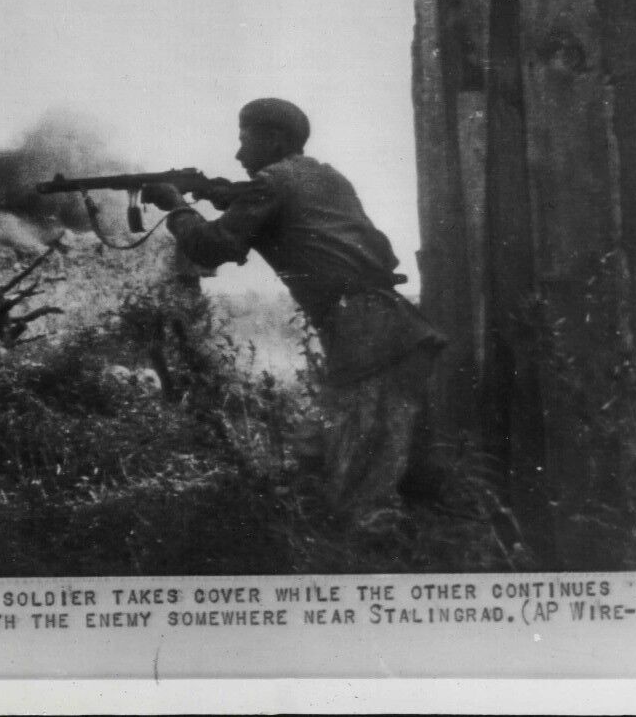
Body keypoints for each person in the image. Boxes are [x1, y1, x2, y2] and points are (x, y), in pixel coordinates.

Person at [141, 98, 446, 531]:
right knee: (376, 468)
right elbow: (333, 226)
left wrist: (177, 207)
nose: (239, 154)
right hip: (394, 327)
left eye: (246, 140)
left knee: (360, 498)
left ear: (277, 140)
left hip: (366, 334)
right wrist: (223, 193)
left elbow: (213, 246)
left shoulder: (272, 183)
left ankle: (367, 563)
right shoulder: (324, 175)